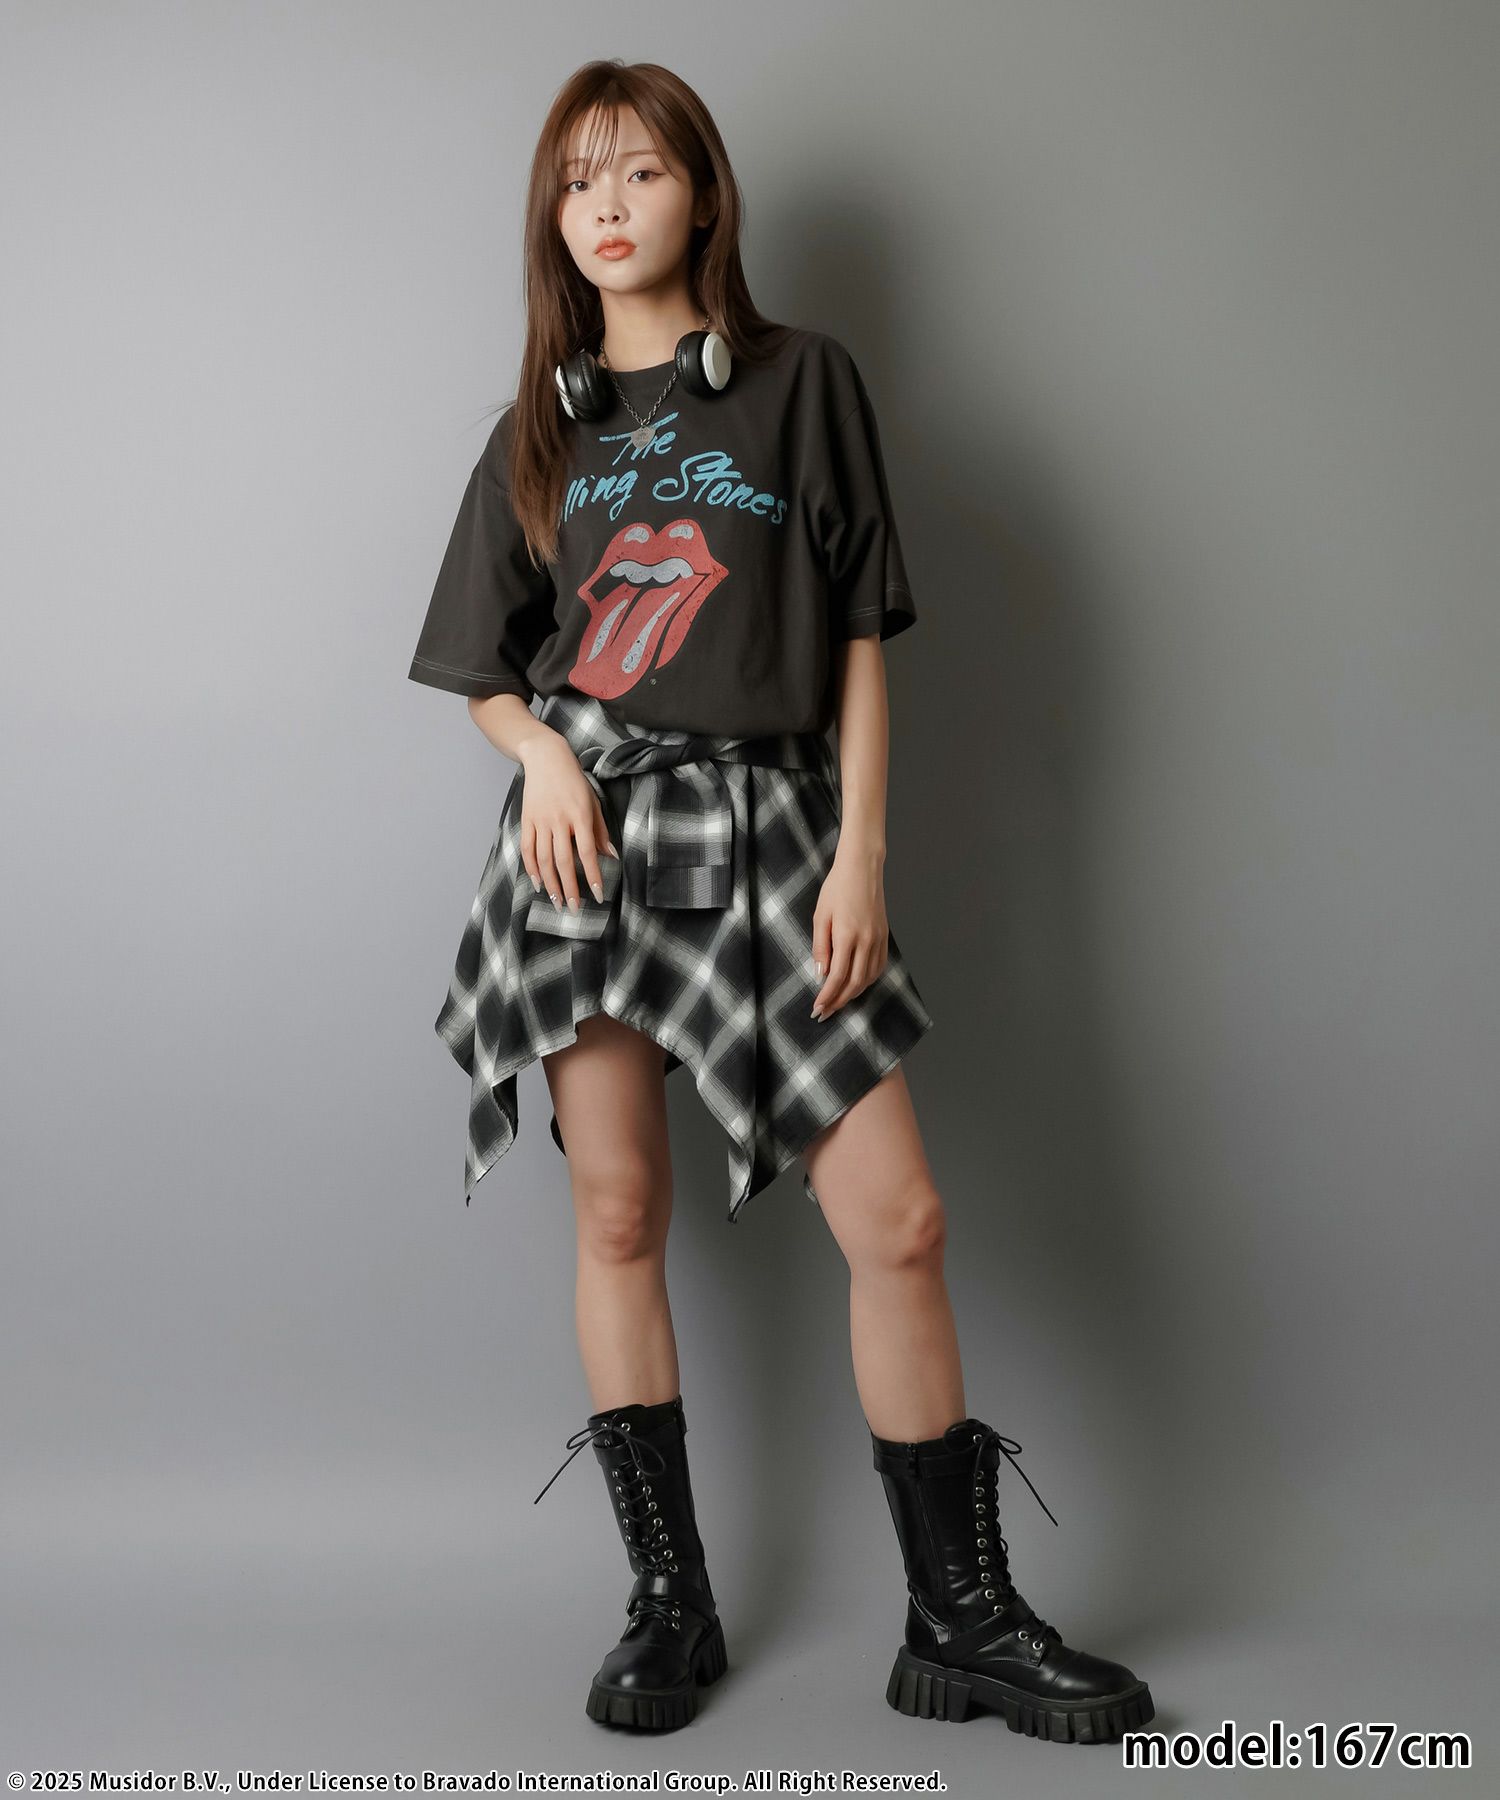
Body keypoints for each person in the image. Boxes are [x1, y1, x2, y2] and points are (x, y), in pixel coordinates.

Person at [408, 58, 1155, 1744]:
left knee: (899, 1219)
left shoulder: (802, 382)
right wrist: (539, 755)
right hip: (590, 844)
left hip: (773, 834)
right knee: (619, 1215)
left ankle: (958, 1621)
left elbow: (862, 633)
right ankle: (669, 1607)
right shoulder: (540, 432)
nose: (606, 205)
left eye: (640, 171)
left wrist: (859, 855)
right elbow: (485, 671)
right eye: (577, 179)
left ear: (702, 196)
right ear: (553, 217)